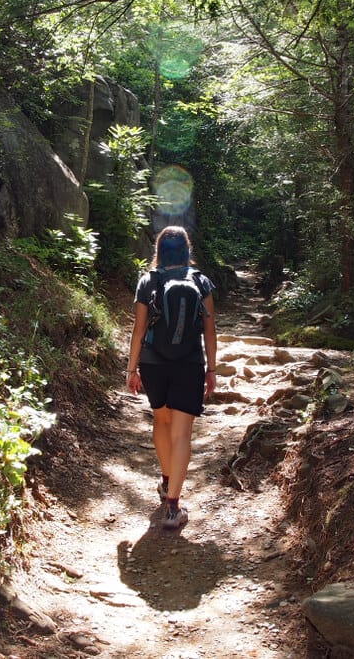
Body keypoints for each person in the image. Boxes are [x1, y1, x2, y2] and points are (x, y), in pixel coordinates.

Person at [126, 226, 217, 529]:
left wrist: (131, 369)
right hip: (189, 363)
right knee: (182, 434)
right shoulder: (201, 282)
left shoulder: (148, 281)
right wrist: (211, 369)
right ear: (187, 250)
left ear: (159, 250)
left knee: (161, 421)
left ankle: (166, 483)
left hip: (153, 362)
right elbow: (209, 331)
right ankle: (173, 507)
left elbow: (138, 331)